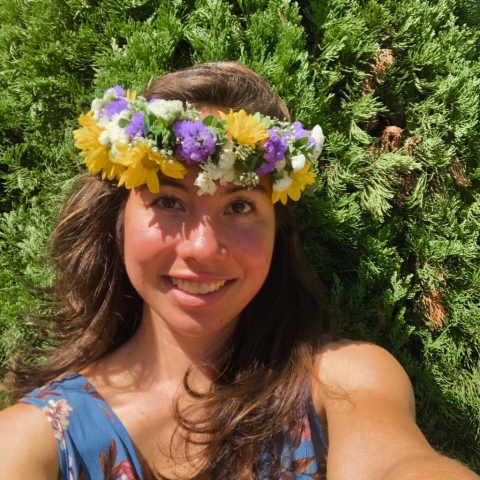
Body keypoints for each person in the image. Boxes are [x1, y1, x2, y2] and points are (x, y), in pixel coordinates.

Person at [0, 62, 478, 480]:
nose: (204, 248)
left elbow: (396, 463)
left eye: (241, 206)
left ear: (278, 232)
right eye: (168, 201)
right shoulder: (33, 441)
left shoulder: (343, 385)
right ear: (119, 223)